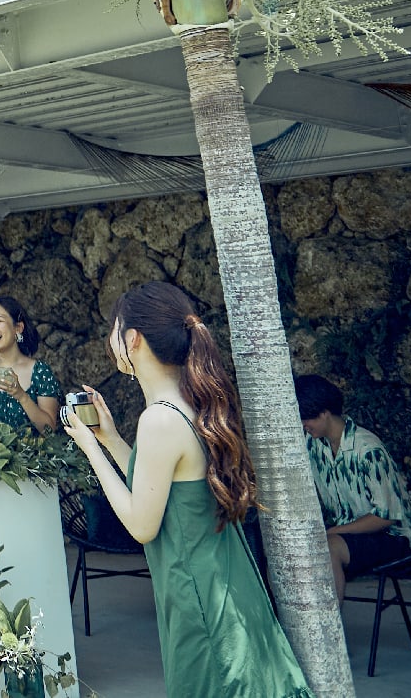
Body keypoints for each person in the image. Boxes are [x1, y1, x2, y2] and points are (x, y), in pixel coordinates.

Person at [62, 282, 310, 698]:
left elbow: (142, 524)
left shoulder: (158, 420)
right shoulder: (187, 405)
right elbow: (160, 486)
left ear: (132, 339)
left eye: (114, 330)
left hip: (201, 601)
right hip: (223, 589)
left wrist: (90, 449)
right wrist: (110, 440)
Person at [295, 373, 411, 598]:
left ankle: (330, 620)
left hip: (393, 537)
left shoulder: (368, 450)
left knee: (328, 548)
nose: (303, 425)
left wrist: (333, 531)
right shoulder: (314, 444)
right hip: (348, 532)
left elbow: (386, 517)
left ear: (324, 412)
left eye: (306, 418)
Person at [0, 296, 61, 433]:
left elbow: (48, 431)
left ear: (18, 328)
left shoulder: (40, 372)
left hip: (31, 447)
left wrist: (21, 396)